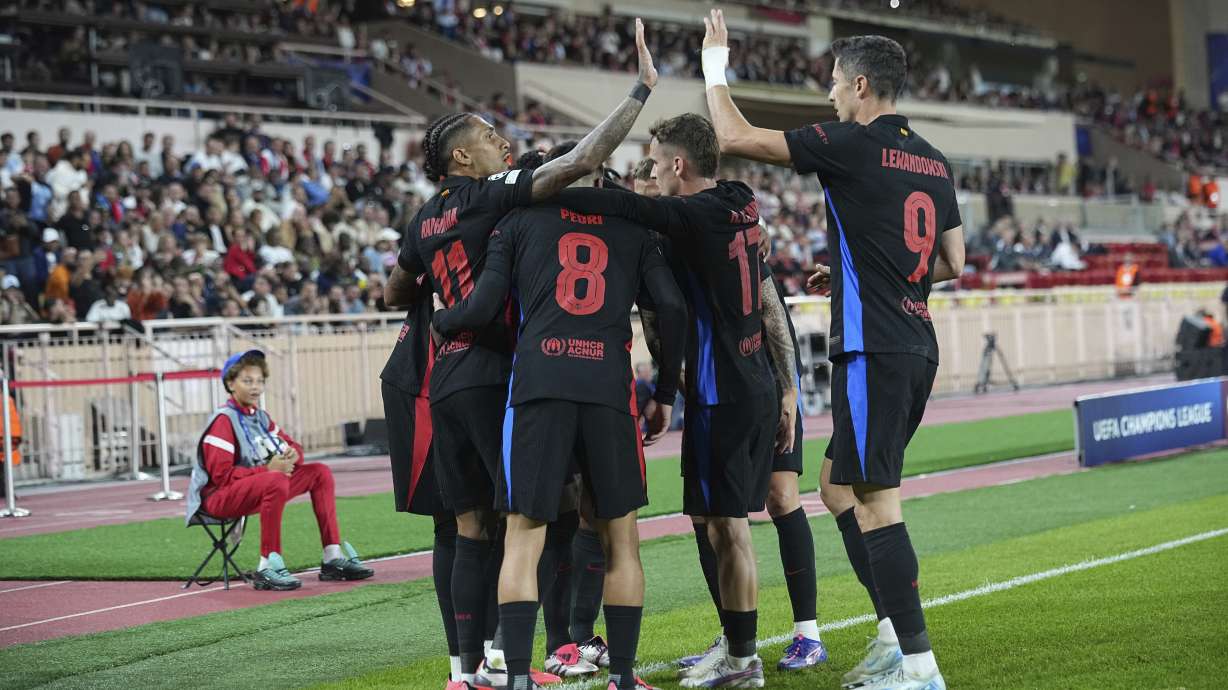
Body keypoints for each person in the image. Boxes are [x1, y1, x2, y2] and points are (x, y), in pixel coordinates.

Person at [387, 18, 659, 688]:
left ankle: (465, 669)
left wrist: (436, 296)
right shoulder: (490, 198)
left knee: (463, 527)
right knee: (538, 515)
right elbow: (575, 163)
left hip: (439, 377)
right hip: (495, 371)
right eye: (489, 137)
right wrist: (638, 92)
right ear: (462, 160)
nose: (502, 142)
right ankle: (542, 653)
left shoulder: (423, 219)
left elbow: (398, 288)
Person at [701, 13, 965, 689]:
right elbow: (952, 261)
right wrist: (873, 274)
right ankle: (888, 638)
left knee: (878, 502)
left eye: (833, 84)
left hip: (873, 349)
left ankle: (919, 667)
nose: (828, 96)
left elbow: (731, 136)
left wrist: (713, 64)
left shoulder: (849, 142)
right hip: (914, 338)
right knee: (836, 486)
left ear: (860, 84)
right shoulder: (933, 158)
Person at [431, 139, 686, 690]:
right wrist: (665, 391)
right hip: (608, 390)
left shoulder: (518, 221)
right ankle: (622, 676)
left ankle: (519, 677)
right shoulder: (632, 229)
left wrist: (443, 323)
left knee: (525, 536)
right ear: (597, 178)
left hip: (538, 387)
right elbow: (670, 306)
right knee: (621, 540)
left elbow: (482, 305)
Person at [558, 113, 800, 689]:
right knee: (713, 523)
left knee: (730, 528)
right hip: (752, 382)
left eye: (655, 152)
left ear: (676, 165)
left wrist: (563, 177)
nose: (651, 162)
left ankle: (743, 661)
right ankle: (737, 650)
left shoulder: (689, 213)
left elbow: (625, 209)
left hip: (724, 391)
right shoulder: (740, 200)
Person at [185, 350, 374, 591]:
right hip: (217, 499)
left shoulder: (261, 418)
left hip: (258, 487)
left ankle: (332, 558)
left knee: (320, 473)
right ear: (230, 384)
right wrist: (268, 470)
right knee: (275, 479)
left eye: (260, 381)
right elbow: (220, 478)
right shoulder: (223, 421)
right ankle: (267, 566)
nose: (255, 387)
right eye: (247, 381)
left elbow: (291, 445)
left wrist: (294, 454)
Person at [380, 276, 465, 685]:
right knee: (457, 522)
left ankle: (492, 660)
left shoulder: (431, 225)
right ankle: (467, 668)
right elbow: (392, 293)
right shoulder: (470, 221)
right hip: (428, 380)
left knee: (487, 524)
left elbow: (394, 292)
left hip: (450, 374)